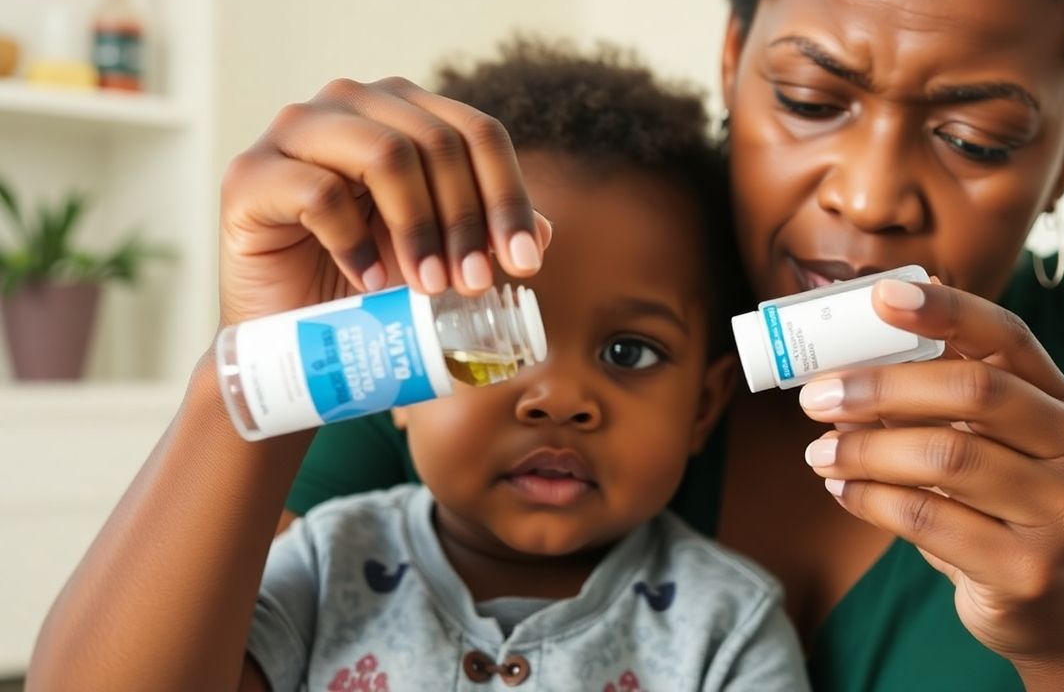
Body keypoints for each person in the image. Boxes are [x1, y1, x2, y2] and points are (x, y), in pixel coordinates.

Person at [30, 0, 1064, 690]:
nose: (874, 195)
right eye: (812, 99)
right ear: (730, 56)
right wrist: (268, 368)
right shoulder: (522, 276)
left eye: (978, 136)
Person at [36, 41, 810, 690]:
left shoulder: (727, 630)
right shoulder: (327, 566)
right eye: (491, 339)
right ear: (398, 378)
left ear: (704, 407)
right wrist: (258, 373)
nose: (560, 400)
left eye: (628, 352)